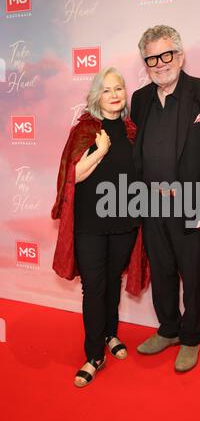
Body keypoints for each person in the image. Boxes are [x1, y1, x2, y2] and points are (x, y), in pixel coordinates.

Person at [131, 25, 200, 372]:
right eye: (151, 59)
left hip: (193, 204)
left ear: (180, 55)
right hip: (150, 203)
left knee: (193, 274)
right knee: (161, 272)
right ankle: (168, 329)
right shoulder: (140, 100)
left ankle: (191, 338)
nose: (160, 64)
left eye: (166, 55)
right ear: (145, 63)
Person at [52, 67, 145, 388]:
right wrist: (100, 151)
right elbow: (71, 178)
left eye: (118, 88)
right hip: (89, 224)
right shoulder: (85, 130)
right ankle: (94, 354)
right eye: (107, 90)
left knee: (111, 282)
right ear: (96, 96)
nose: (115, 94)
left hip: (125, 222)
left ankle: (110, 333)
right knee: (94, 287)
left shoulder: (133, 130)